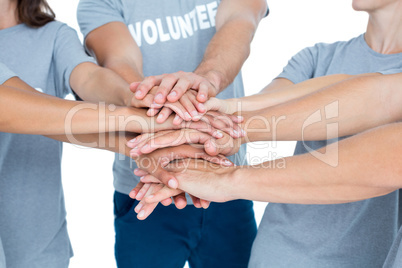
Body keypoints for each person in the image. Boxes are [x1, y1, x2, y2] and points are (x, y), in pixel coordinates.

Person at [129, 0, 402, 266]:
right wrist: (221, 120)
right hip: (276, 251)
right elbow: (372, 94)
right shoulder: (320, 57)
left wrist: (226, 177)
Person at [0, 1, 237, 267]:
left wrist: (137, 101)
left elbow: (82, 86)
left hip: (38, 241)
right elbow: (15, 109)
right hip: (144, 195)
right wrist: (141, 117)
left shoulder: (54, 36)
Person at [77, 1, 268, 267]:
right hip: (147, 186)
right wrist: (154, 98)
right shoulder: (100, 3)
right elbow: (118, 59)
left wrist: (203, 83)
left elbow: (240, 21)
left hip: (226, 183)